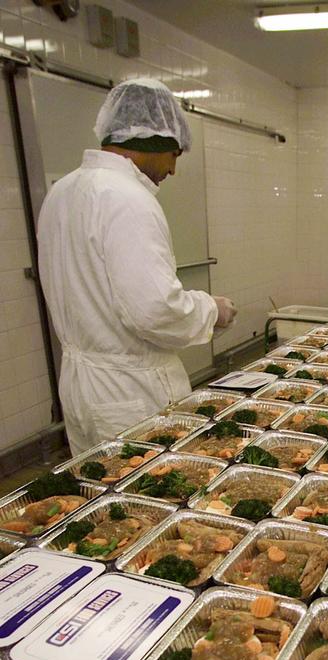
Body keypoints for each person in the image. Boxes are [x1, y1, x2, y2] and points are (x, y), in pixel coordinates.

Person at [37, 77, 236, 455]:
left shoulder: (62, 192)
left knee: (101, 496)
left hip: (82, 387)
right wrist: (212, 310)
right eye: (175, 155)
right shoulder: (128, 198)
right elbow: (154, 310)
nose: (173, 170)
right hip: (128, 392)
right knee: (150, 492)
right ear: (154, 140)